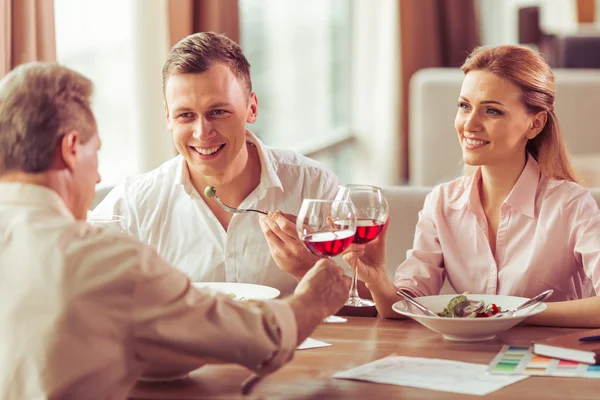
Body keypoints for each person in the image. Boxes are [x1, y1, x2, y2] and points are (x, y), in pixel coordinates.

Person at [0, 62, 351, 399]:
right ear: (71, 149)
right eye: (97, 154)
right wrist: (313, 298)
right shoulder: (107, 259)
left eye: (218, 111)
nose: (98, 177)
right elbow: (262, 339)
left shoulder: (312, 181)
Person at [344, 45, 600, 326]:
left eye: (492, 111)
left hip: (548, 359)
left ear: (535, 124)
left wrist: (508, 313)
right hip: (468, 359)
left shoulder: (571, 206)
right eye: (465, 107)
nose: (470, 124)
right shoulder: (442, 202)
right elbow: (406, 307)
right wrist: (379, 280)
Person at [93, 32, 341, 296]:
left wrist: (309, 269)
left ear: (252, 108)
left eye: (218, 112)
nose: (202, 132)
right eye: (185, 115)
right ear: (168, 117)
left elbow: (370, 308)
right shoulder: (134, 206)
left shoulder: (313, 187)